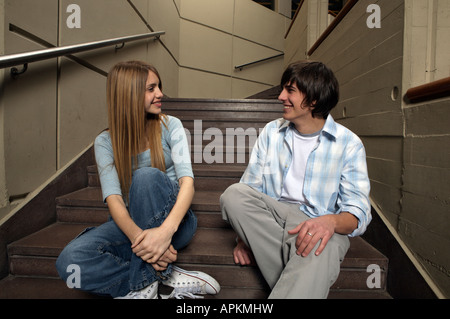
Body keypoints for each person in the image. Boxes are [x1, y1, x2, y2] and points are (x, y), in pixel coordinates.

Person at [56, 61, 220, 299]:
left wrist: (165, 232)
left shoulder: (171, 125)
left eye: (159, 87)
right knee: (69, 262)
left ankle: (144, 288)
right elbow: (114, 201)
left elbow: (187, 183)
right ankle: (165, 278)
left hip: (176, 224)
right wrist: (144, 244)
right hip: (131, 227)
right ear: (129, 95)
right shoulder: (104, 142)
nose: (160, 94)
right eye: (151, 88)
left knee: (145, 177)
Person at [220, 60, 371, 299]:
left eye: (290, 90)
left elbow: (358, 214)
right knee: (233, 195)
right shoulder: (271, 132)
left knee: (325, 247)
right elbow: (250, 188)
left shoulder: (348, 144)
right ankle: (303, 275)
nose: (280, 96)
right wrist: (244, 237)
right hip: (274, 218)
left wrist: (329, 223)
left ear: (313, 99)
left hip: (319, 224)